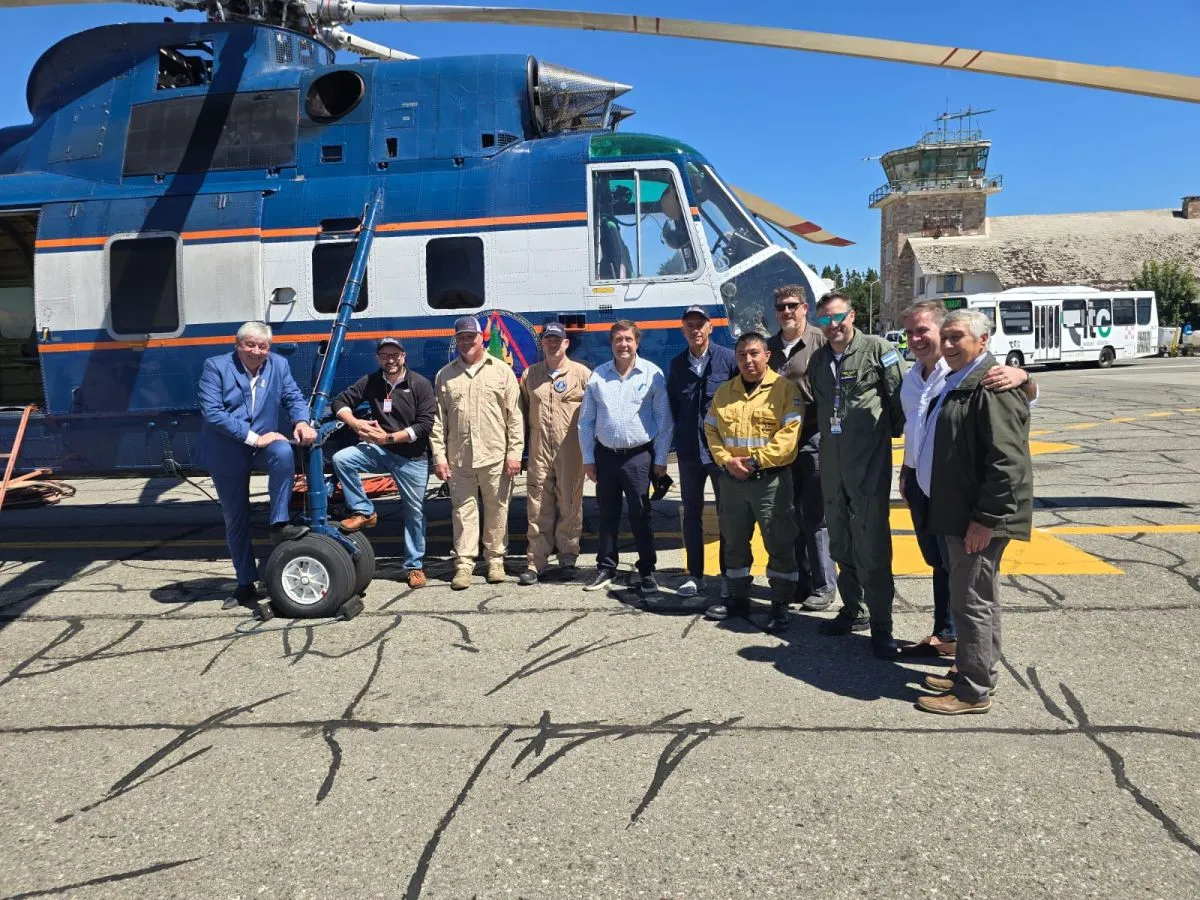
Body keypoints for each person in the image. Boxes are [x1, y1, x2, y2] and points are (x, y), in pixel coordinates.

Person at [897, 301, 1039, 657]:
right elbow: (916, 430)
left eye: (924, 331)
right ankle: (946, 635)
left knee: (964, 577)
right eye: (910, 332)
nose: (916, 339)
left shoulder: (970, 372)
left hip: (955, 492)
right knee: (940, 563)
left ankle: (967, 660)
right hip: (921, 484)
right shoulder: (911, 376)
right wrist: (907, 470)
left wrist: (1025, 377)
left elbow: (1016, 414)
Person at [807, 292, 905, 658]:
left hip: (868, 464)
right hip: (832, 463)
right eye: (825, 319)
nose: (832, 325)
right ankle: (854, 609)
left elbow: (899, 402)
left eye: (838, 317)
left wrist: (878, 440)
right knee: (841, 540)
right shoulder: (819, 360)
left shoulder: (879, 350)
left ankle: (882, 625)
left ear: (852, 315)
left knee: (872, 544)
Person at [197, 321, 315, 609]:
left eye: (263, 346)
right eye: (250, 345)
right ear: (238, 345)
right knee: (235, 517)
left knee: (283, 452)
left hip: (263, 444)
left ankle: (278, 523)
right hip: (228, 449)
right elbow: (212, 412)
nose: (256, 351)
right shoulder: (215, 367)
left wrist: (301, 421)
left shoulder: (278, 365)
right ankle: (244, 583)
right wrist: (254, 437)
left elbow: (293, 397)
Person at [702, 332, 803, 631]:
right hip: (732, 481)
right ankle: (737, 598)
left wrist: (756, 461)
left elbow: (789, 436)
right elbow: (711, 430)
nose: (748, 360)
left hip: (770, 481)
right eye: (742, 355)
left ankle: (780, 604)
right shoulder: (725, 392)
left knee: (778, 542)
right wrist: (726, 461)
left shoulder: (785, 390)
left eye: (754, 353)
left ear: (767, 355)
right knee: (733, 542)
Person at [330, 337, 436, 588]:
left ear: (403, 357)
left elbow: (425, 425)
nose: (390, 360)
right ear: (378, 358)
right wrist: (355, 423)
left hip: (411, 457)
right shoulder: (371, 381)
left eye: (395, 355)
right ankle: (364, 511)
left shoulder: (420, 384)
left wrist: (388, 438)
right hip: (381, 450)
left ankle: (414, 566)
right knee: (341, 459)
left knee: (414, 513)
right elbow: (339, 402)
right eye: (385, 355)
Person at [578, 320, 673, 596]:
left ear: (637, 342)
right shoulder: (598, 376)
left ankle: (647, 570)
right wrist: (588, 458)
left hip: (638, 457)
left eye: (628, 339)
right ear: (611, 343)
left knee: (641, 514)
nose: (623, 344)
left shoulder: (652, 375)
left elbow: (664, 421)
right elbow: (586, 422)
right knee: (607, 514)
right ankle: (606, 567)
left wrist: (660, 459)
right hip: (605, 456)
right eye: (618, 339)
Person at [430, 316, 524, 590]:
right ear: (456, 340)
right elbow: (438, 421)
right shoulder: (445, 375)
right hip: (459, 458)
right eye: (461, 337)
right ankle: (464, 565)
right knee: (462, 512)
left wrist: (514, 452)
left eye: (470, 336)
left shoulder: (502, 371)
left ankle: (495, 560)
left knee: (497, 509)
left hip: (495, 456)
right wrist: (439, 456)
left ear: (481, 338)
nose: (466, 341)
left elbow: (515, 417)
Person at [766, 284, 836, 611]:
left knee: (816, 516)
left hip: (812, 436)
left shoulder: (822, 341)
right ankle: (799, 582)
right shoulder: (768, 348)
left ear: (805, 308)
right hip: (778, 441)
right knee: (789, 514)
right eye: (781, 307)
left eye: (792, 305)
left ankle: (824, 586)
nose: (786, 312)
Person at [666, 305, 737, 597]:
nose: (695, 330)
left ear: (710, 327)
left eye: (700, 324)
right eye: (690, 325)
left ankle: (727, 575)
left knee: (727, 515)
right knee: (691, 515)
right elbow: (673, 406)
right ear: (683, 330)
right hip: (690, 453)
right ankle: (695, 575)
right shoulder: (677, 365)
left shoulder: (728, 359)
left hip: (721, 452)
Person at [517, 322, 592, 586]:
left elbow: (593, 414)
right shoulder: (531, 375)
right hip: (540, 448)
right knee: (538, 504)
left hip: (570, 450)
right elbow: (524, 411)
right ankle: (535, 562)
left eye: (557, 340)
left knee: (570, 503)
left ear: (566, 343)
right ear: (543, 343)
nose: (552, 344)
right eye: (548, 339)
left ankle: (568, 558)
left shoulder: (582, 375)